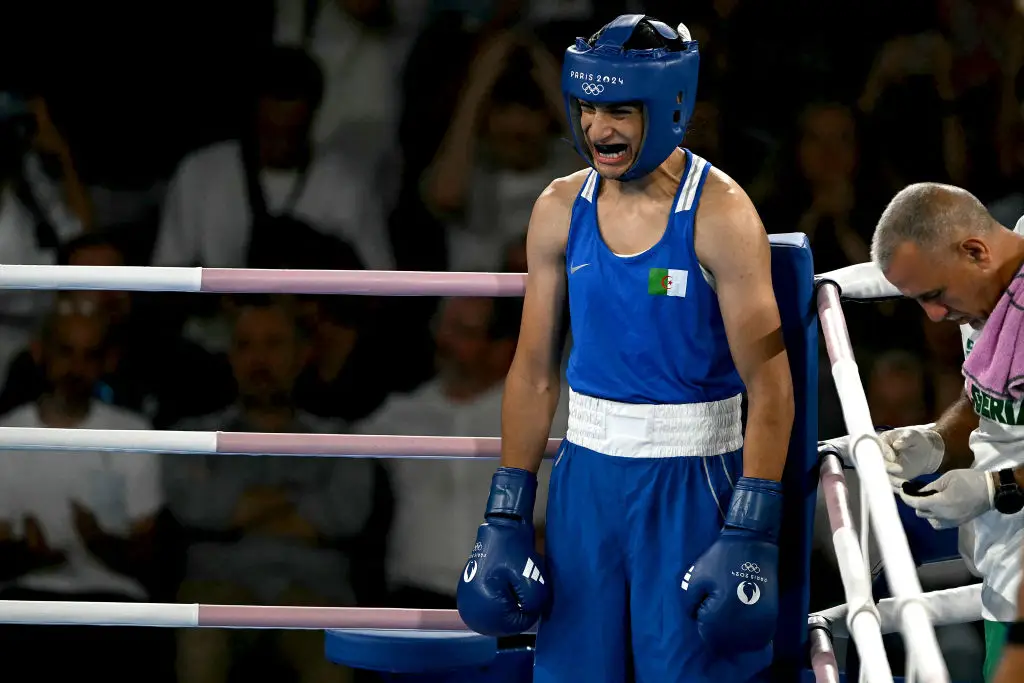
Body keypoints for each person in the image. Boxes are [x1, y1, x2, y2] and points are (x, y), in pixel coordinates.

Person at [455, 14, 795, 683]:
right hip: (586, 481)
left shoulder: (722, 213)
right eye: (587, 109)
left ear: (671, 106)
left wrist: (750, 525)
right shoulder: (559, 208)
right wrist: (507, 509)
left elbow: (772, 383)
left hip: (693, 482)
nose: (598, 130)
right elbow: (532, 373)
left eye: (619, 111)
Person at [826, 182, 1024, 683]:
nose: (933, 316)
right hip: (1005, 571)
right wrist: (937, 441)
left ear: (975, 250)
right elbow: (987, 402)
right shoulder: (991, 296)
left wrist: (996, 486)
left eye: (935, 296)